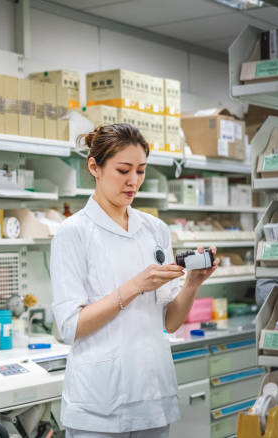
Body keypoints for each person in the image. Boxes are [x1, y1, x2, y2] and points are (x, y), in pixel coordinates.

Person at [50, 124, 218, 438]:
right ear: (94, 167)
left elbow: (168, 321)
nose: (133, 181)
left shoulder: (155, 230)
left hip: (152, 396)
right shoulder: (73, 233)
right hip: (98, 404)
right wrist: (136, 286)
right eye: (123, 170)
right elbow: (71, 326)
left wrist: (193, 283)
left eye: (140, 171)